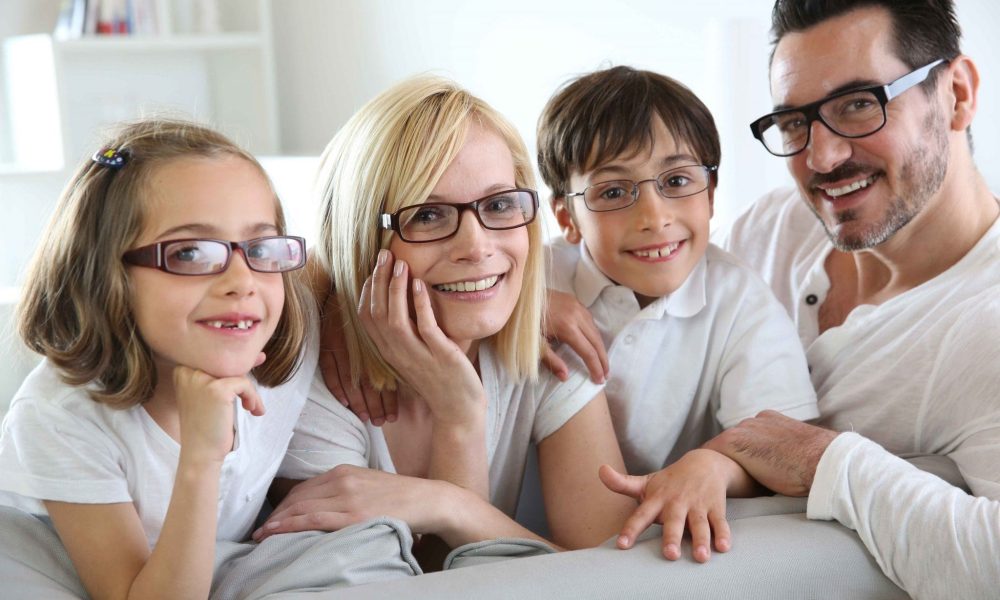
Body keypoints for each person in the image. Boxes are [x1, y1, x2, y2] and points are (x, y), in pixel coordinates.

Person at [253, 75, 636, 562]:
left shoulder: (554, 350)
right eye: (428, 215)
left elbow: (616, 575)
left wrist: (456, 508)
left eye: (499, 205)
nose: (476, 246)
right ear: (362, 238)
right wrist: (458, 419)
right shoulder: (314, 383)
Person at [698, 1, 1000, 597]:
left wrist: (823, 461)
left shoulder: (986, 325)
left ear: (957, 95)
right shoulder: (771, 231)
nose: (823, 158)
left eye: (859, 105)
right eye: (793, 122)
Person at [0, 119, 316, 600]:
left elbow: (345, 263)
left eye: (261, 247)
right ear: (106, 274)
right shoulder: (60, 417)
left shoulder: (276, 318)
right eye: (190, 252)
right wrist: (200, 458)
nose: (242, 280)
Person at [534, 65, 820, 563]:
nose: (654, 217)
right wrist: (525, 307)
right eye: (614, 191)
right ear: (567, 218)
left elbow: (784, 448)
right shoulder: (534, 277)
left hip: (640, 551)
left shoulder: (742, 304)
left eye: (677, 180)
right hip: (519, 538)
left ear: (710, 195)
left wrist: (714, 465)